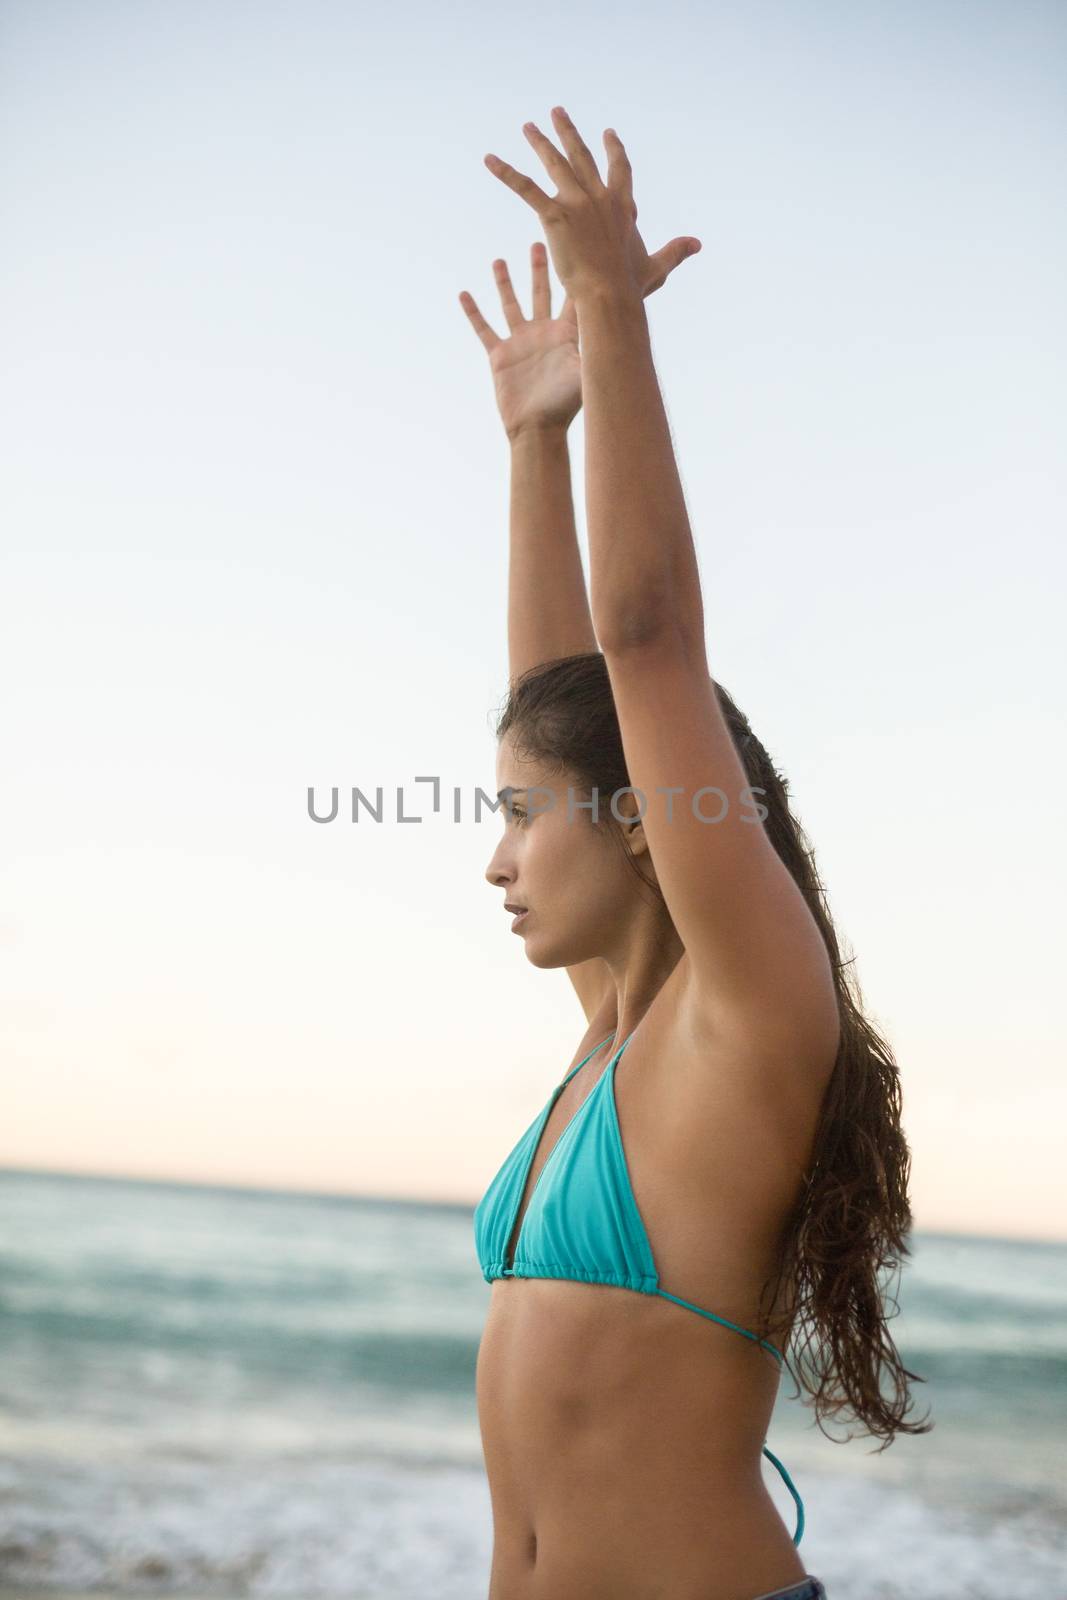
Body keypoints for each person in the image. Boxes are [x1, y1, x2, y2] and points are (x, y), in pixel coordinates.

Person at [459, 106, 930, 1600]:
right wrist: (540, 442)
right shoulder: (613, 1033)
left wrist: (610, 320)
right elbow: (572, 706)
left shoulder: (741, 1022)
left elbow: (644, 648)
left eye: (520, 816)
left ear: (650, 824)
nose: (494, 859)